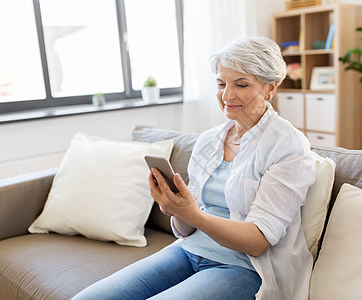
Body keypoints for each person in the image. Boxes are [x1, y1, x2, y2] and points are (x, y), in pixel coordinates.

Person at [72, 36, 316, 300]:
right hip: (189, 249)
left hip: (246, 268)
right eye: (221, 84)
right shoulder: (209, 141)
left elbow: (258, 242)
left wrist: (193, 214)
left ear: (270, 88)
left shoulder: (288, 146)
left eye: (241, 84)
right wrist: (176, 209)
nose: (227, 95)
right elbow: (187, 227)